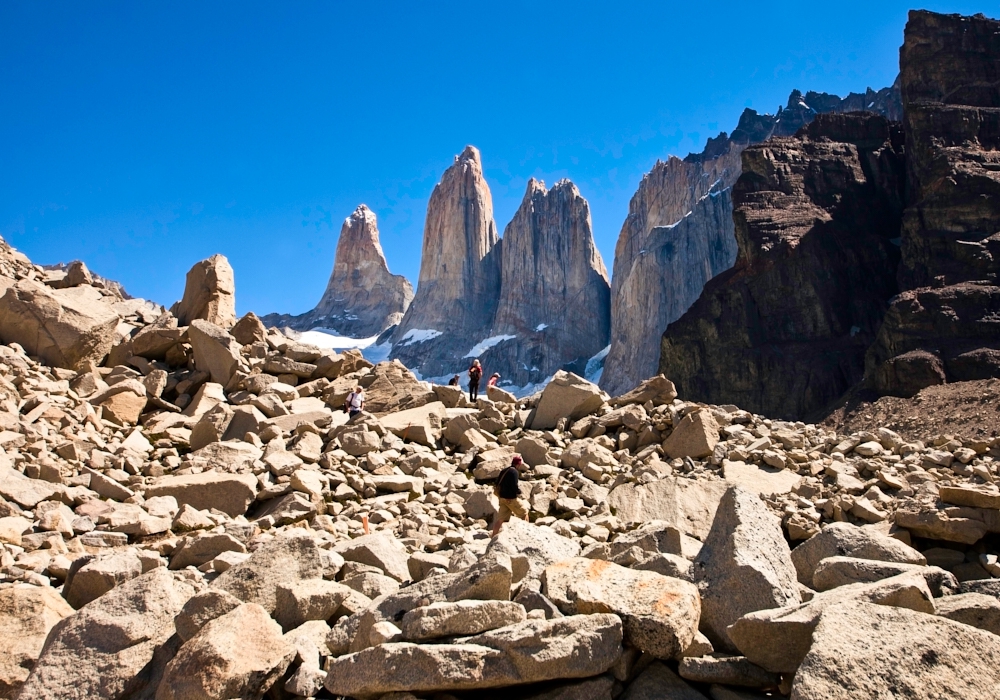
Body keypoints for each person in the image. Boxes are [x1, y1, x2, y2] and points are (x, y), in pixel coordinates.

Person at [491, 454, 528, 537]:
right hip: (510, 498)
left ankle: (493, 535)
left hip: (501, 498)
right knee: (524, 512)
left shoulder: (504, 470)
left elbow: (497, 482)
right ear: (518, 464)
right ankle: (526, 535)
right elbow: (514, 485)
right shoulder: (514, 472)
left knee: (500, 519)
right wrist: (518, 492)